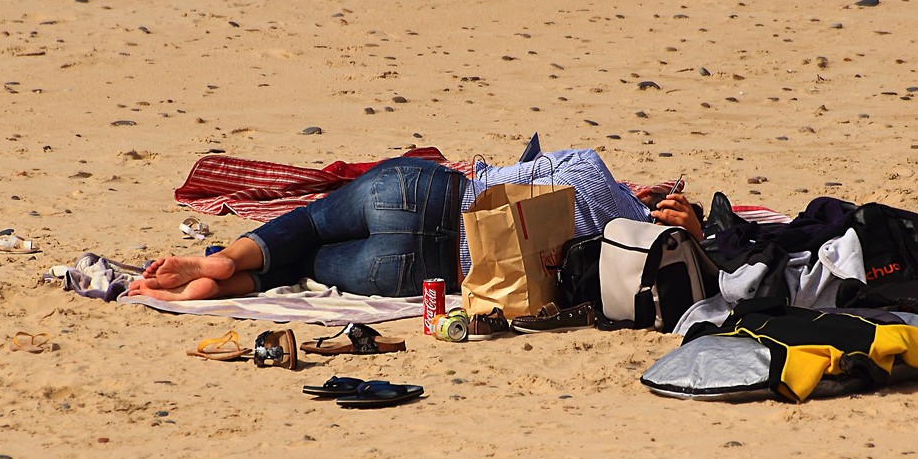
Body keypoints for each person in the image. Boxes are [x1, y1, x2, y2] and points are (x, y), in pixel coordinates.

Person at [129, 149, 701, 301]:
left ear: (647, 190)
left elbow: (499, 173)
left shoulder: (591, 168)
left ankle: (224, 258)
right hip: (434, 271)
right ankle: (226, 282)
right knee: (305, 270)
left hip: (424, 193)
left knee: (307, 221)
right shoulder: (629, 247)